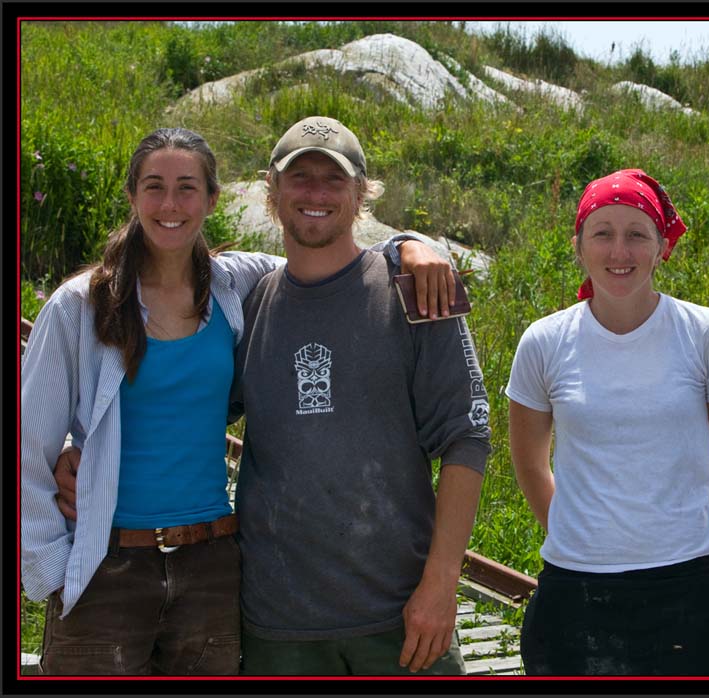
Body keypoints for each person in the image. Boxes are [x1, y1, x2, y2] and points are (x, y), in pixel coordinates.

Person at [21, 126, 453, 675]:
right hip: (105, 567)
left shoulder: (235, 286)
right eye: (154, 187)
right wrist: (52, 570)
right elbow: (27, 446)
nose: (170, 205)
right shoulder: (79, 307)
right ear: (131, 196)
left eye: (187, 188)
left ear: (212, 199)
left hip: (210, 569)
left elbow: (328, 259)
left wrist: (409, 245)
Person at [225, 116, 491, 676]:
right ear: (271, 191)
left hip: (400, 622)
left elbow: (467, 438)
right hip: (278, 627)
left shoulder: (417, 291)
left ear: (362, 193)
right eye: (300, 178)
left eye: (334, 179)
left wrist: (442, 586)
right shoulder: (248, 308)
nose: (315, 193)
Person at [506, 169, 709, 675]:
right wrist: (583, 533)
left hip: (688, 591)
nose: (619, 252)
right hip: (574, 589)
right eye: (603, 233)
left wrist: (676, 528)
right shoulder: (544, 342)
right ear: (579, 245)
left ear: (662, 246)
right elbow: (530, 464)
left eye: (637, 234)